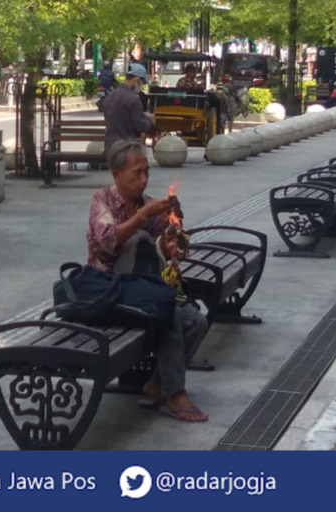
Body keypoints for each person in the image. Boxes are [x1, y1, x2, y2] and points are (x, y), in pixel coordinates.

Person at [88, 140, 209, 422]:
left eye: (146, 173)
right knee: (169, 314)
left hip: (142, 288)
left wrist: (172, 235)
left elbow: (165, 250)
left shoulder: (147, 205)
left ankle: (156, 383)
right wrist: (142, 216)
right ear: (117, 174)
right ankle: (175, 392)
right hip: (109, 291)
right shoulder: (102, 200)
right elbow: (106, 241)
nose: (143, 180)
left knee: (197, 320)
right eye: (136, 173)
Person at [98, 63, 155, 151]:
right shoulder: (133, 99)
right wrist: (150, 120)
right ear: (137, 80)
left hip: (110, 146)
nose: (141, 85)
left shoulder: (110, 96)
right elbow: (140, 126)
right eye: (142, 82)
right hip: (127, 147)